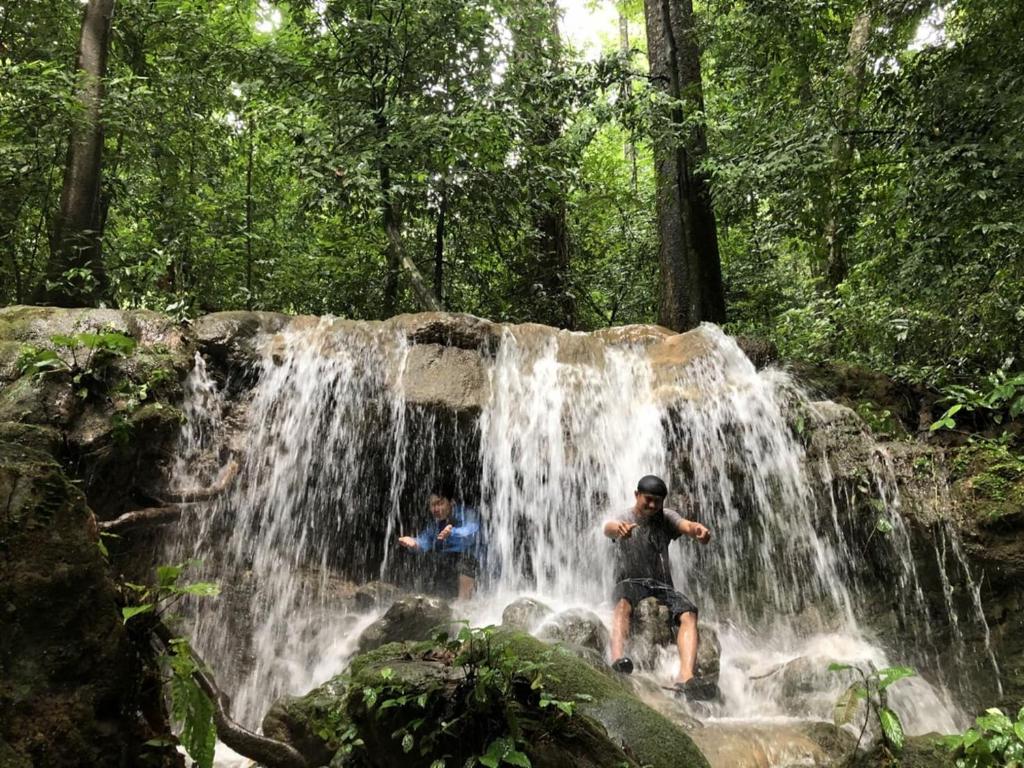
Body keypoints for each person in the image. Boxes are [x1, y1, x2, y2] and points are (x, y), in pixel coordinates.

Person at [602, 474, 714, 700]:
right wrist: (618, 529)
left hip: (661, 587)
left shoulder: (666, 517)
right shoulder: (625, 518)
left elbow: (686, 525)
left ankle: (686, 676)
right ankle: (617, 660)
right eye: (648, 499)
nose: (653, 505)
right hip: (630, 582)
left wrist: (697, 530)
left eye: (658, 501)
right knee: (622, 605)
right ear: (637, 495)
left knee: (689, 613)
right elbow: (608, 528)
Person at [398, 482, 481, 600]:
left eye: (440, 503)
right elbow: (425, 540)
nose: (436, 509)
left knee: (466, 562)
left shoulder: (467, 513)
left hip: (474, 561)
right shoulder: (434, 525)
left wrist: (452, 532)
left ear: (451, 503)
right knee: (427, 561)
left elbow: (472, 530)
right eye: (433, 505)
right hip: (448, 562)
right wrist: (414, 543)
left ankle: (464, 605)